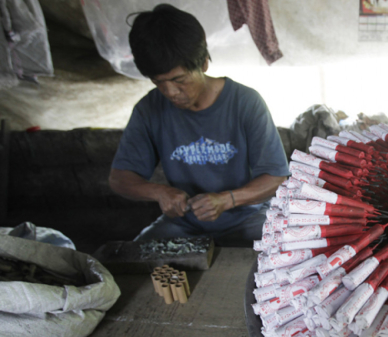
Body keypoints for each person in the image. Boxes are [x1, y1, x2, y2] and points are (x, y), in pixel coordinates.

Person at [109, 4, 289, 246]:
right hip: (185, 224)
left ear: (203, 63)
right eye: (158, 82)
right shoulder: (149, 109)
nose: (170, 92)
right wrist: (160, 192)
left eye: (179, 80)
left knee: (287, 249)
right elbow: (119, 178)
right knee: (134, 255)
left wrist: (227, 200)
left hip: (248, 218)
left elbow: (277, 177)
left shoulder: (245, 103)